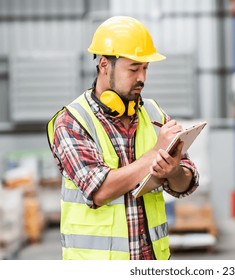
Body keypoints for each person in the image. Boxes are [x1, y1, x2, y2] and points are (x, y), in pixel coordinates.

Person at [46, 16, 199, 260]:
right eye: (134, 68)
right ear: (104, 65)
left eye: (146, 68)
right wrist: (154, 156)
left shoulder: (154, 114)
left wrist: (173, 172)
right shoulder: (73, 122)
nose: (142, 78)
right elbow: (99, 190)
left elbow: (187, 184)